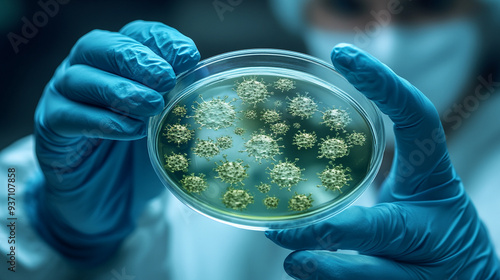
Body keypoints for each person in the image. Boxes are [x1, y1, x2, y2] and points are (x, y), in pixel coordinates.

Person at [1, 1, 499, 280]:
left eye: (429, 2)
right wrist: (53, 230)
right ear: (300, 12)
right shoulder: (217, 155)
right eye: (346, 3)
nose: (385, 36)